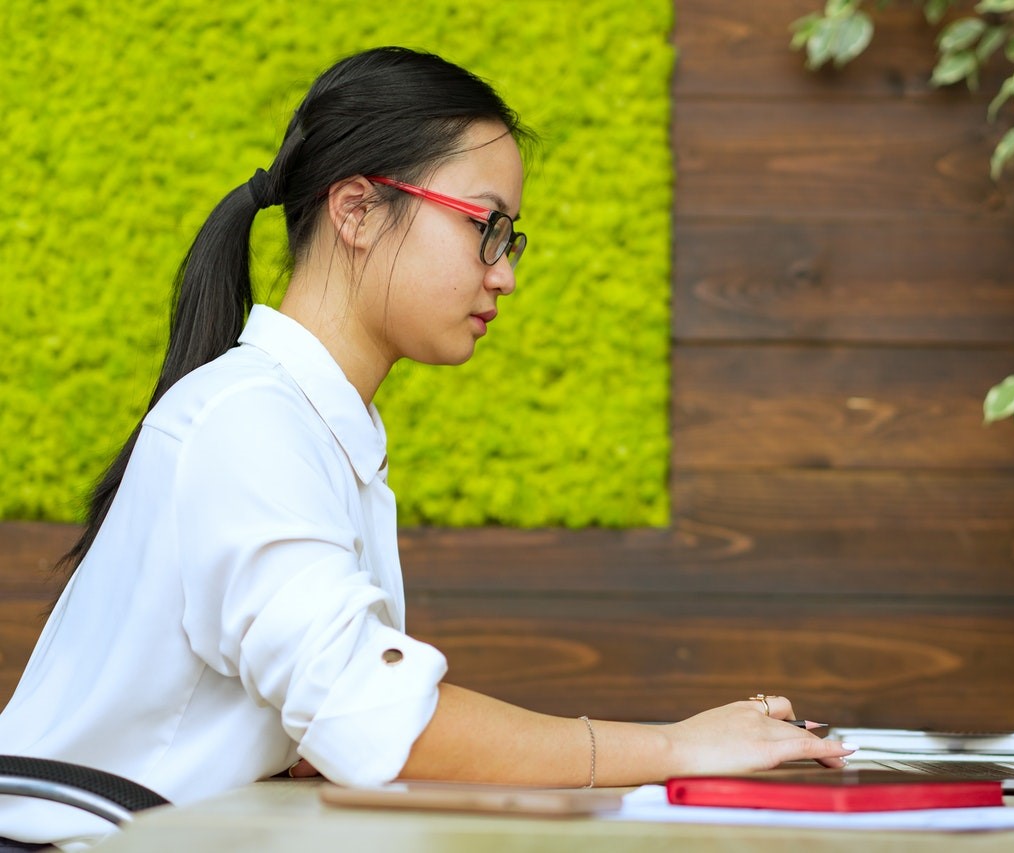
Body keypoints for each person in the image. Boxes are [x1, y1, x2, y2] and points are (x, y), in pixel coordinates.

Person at [0, 46, 854, 850]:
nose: (505, 272)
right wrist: (677, 748)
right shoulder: (247, 424)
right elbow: (377, 720)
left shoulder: (315, 426)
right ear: (358, 210)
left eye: (509, 237)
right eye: (485, 226)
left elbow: (336, 725)